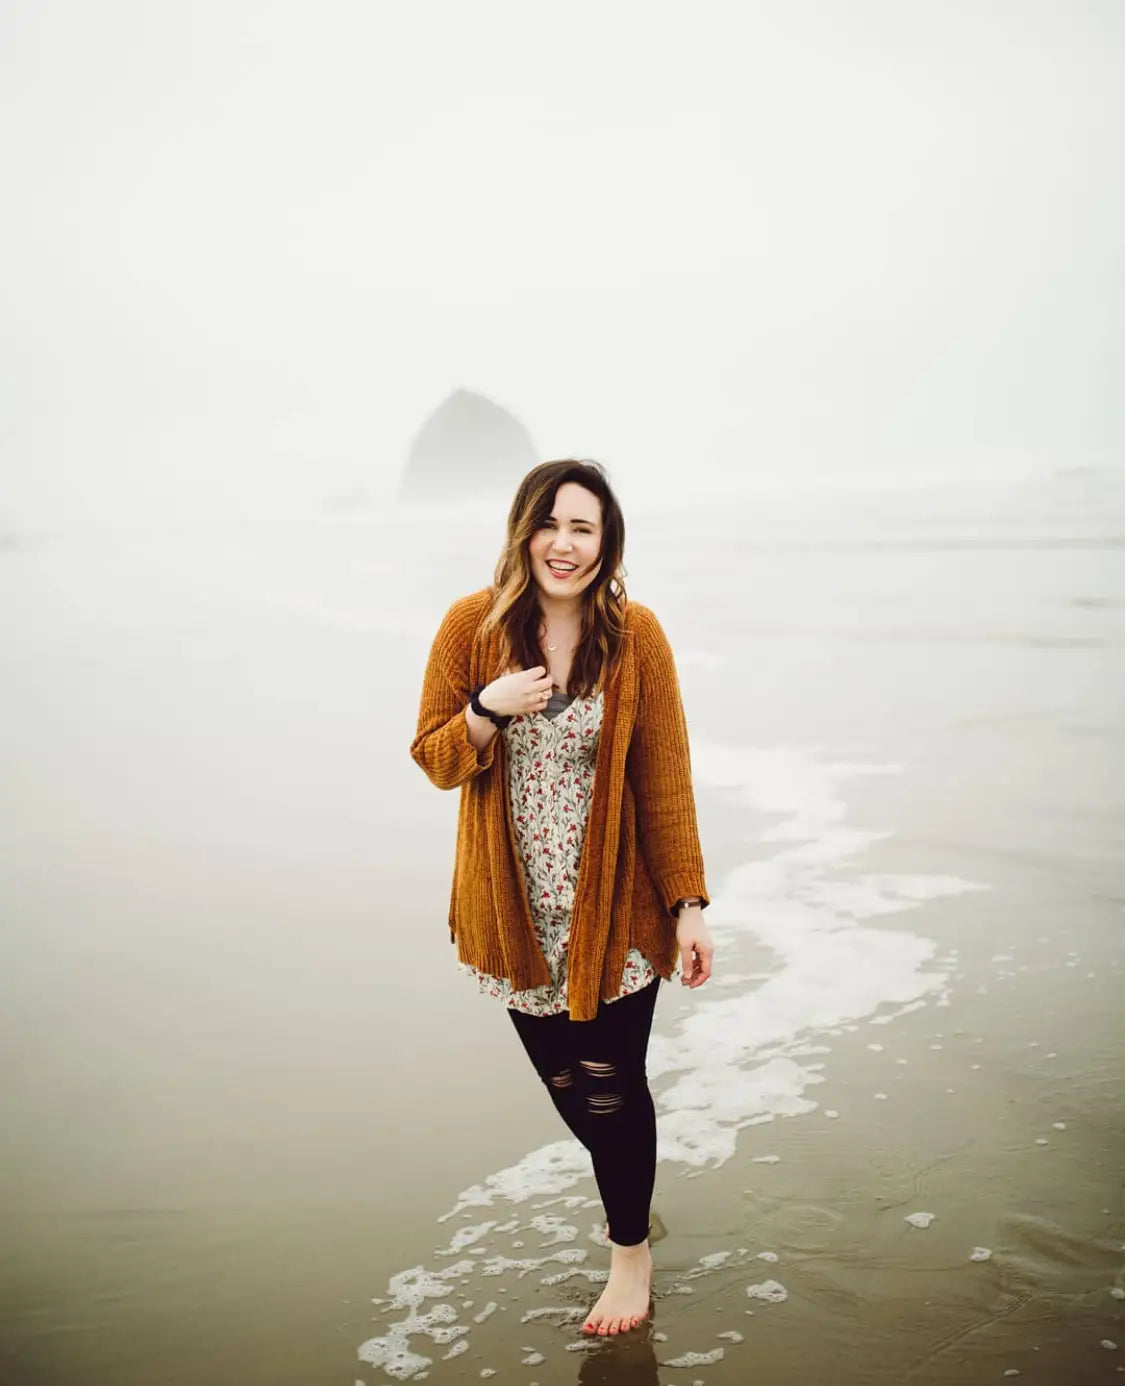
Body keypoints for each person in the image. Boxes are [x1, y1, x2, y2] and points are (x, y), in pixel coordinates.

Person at [410, 458, 713, 1337]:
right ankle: (634, 1186)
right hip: (514, 916)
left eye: (583, 527)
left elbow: (665, 782)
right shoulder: (472, 626)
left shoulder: (636, 637)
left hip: (616, 909)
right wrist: (486, 708)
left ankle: (629, 1255)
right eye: (550, 523)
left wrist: (688, 903)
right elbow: (434, 758)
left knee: (613, 1086)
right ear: (523, 531)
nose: (564, 543)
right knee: (568, 1085)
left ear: (606, 542)